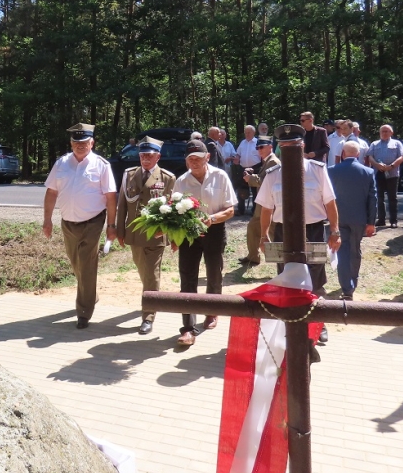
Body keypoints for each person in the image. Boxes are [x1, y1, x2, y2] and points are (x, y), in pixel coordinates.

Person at [43, 123, 117, 329]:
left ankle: (84, 312)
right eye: (76, 142)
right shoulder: (61, 163)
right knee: (75, 261)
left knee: (86, 263)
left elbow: (111, 197)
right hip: (68, 222)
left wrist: (111, 225)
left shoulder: (101, 165)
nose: (80, 145)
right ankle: (91, 293)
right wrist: (47, 219)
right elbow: (51, 192)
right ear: (71, 143)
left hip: (93, 221)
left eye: (84, 142)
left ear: (92, 143)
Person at [257, 127, 341, 297]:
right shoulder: (273, 174)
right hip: (284, 231)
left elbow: (330, 202)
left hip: (313, 229)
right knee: (286, 275)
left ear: (302, 145)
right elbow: (266, 208)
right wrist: (263, 236)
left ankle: (315, 312)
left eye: (293, 144)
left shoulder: (317, 169)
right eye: (284, 145)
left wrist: (335, 231)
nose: (289, 149)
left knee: (315, 276)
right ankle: (290, 312)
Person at [173, 139, 238, 347]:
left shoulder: (220, 176)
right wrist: (174, 238)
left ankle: (212, 310)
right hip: (189, 232)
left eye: (198, 158)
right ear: (186, 161)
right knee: (187, 277)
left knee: (214, 273)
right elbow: (174, 212)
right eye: (190, 158)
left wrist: (213, 218)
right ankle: (188, 328)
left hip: (214, 229)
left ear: (207, 157)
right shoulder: (181, 181)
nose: (194, 162)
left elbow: (231, 209)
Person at [116, 137, 177, 335]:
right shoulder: (129, 174)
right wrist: (120, 231)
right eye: (142, 155)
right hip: (134, 233)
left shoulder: (167, 178)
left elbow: (172, 210)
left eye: (149, 156)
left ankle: (148, 316)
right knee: (143, 270)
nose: (145, 159)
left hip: (156, 235)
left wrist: (172, 236)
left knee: (151, 274)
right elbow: (122, 204)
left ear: (158, 157)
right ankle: (151, 295)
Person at [328, 141, 376, 300]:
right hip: (359, 219)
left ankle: (346, 288)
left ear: (343, 153)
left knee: (342, 252)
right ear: (358, 154)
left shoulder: (332, 171)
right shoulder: (368, 172)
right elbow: (373, 199)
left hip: (339, 218)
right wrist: (371, 222)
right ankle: (353, 283)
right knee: (355, 250)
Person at [240, 136, 280, 266]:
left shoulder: (273, 161)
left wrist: (251, 179)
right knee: (253, 227)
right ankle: (253, 257)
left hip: (269, 204)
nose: (259, 150)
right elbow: (265, 177)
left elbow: (269, 183)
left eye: (262, 147)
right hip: (264, 203)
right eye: (257, 147)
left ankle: (283, 260)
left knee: (272, 232)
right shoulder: (268, 161)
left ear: (270, 146)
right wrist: (253, 174)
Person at [367, 125, 403, 228]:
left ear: (391, 133)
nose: (384, 133)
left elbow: (402, 157)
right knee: (379, 198)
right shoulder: (374, 144)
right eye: (382, 131)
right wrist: (377, 165)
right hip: (378, 173)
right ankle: (381, 220)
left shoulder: (397, 143)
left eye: (386, 131)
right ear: (379, 133)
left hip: (392, 174)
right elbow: (370, 157)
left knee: (392, 198)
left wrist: (391, 166)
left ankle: (393, 221)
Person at [233, 125, 259, 215]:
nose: (247, 134)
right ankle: (241, 210)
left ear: (253, 133)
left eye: (249, 132)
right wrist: (237, 158)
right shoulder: (242, 143)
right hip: (243, 169)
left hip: (255, 169)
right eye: (245, 133)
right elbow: (238, 154)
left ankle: (255, 211)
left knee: (255, 190)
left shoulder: (257, 142)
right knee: (241, 190)